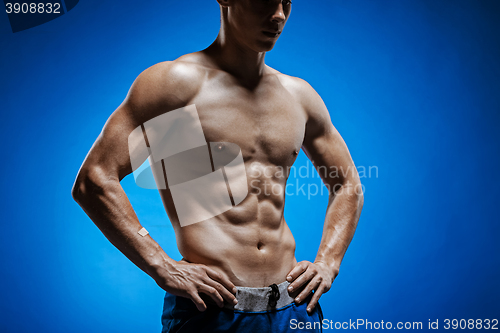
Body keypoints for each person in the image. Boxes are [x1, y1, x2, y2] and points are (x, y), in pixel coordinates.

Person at [72, 0, 364, 332]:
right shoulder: (176, 85)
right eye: (266, 1)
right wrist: (159, 262)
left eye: (286, 2)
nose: (279, 15)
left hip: (293, 308)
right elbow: (94, 179)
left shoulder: (298, 96)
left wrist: (328, 262)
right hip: (212, 311)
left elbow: (348, 185)